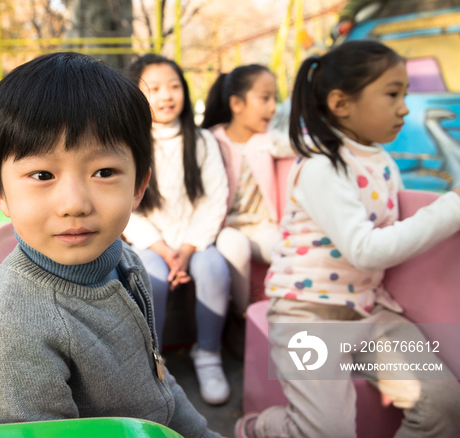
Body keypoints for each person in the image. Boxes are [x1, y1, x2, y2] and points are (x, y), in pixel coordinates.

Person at [0, 52, 221, 438]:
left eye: (104, 172)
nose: (74, 204)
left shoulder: (124, 260)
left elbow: (158, 379)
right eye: (42, 174)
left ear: (138, 186)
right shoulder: (13, 337)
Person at [235, 40, 460, 438]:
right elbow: (366, 250)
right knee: (327, 430)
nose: (405, 107)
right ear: (341, 104)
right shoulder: (323, 165)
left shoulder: (383, 162)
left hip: (371, 310)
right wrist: (452, 206)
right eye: (393, 94)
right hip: (308, 314)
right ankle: (260, 427)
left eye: (405, 94)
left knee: (444, 404)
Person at [123, 54, 231, 406]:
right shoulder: (129, 142)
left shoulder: (201, 141)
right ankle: (155, 364)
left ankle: (209, 354)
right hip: (149, 244)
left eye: (173, 86)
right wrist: (161, 249)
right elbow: (126, 206)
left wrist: (185, 250)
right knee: (148, 275)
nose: (166, 96)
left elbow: (214, 200)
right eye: (153, 89)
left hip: (194, 241)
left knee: (214, 267)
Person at [203, 65, 292, 317]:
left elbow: (301, 144)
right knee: (235, 246)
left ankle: (280, 313)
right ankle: (242, 314)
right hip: (224, 228)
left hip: (262, 226)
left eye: (275, 98)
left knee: (285, 250)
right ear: (237, 104)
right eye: (265, 98)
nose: (273, 107)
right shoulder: (211, 141)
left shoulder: (268, 140)